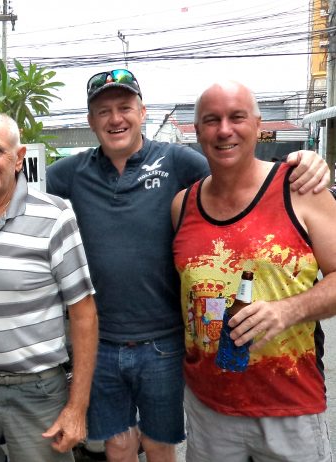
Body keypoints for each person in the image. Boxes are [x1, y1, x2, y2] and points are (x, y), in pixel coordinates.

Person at [0, 69, 329, 462]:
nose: (115, 119)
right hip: (102, 340)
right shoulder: (71, 172)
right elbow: (7, 170)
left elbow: (231, 168)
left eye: (125, 107)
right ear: (91, 121)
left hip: (164, 339)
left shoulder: (179, 163)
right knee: (118, 445)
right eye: (103, 111)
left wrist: (304, 161)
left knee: (159, 444)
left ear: (142, 113)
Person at [172, 80, 336, 462]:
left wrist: (287, 310)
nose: (224, 130)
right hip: (209, 410)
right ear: (197, 131)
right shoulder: (182, 205)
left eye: (237, 117)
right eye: (211, 120)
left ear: (258, 125)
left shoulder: (301, 190)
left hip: (289, 407)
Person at [0, 112, 97, 462]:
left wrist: (77, 407)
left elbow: (84, 314)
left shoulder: (54, 216)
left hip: (37, 390)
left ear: (19, 157)